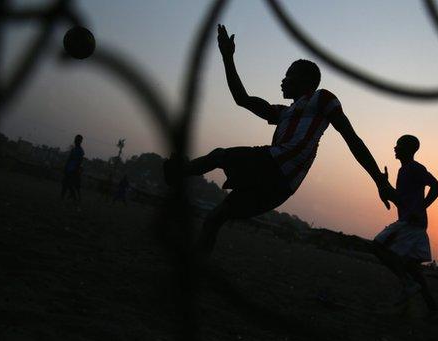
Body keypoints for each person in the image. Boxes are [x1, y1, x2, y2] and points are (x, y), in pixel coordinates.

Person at [164, 24, 394, 254]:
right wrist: (227, 57)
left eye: (288, 75)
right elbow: (242, 99)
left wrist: (378, 180)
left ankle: (179, 172)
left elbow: (352, 138)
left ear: (304, 79)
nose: (282, 80)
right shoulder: (283, 113)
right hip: (278, 187)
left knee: (219, 155)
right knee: (215, 218)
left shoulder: (322, 99)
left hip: (276, 165)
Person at [372, 135, 438, 322]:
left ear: (408, 149)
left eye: (399, 145)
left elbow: (437, 186)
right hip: (414, 223)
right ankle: (432, 309)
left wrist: (420, 208)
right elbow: (401, 199)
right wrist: (385, 184)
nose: (395, 148)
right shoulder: (404, 170)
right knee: (414, 270)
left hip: (411, 224)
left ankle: (407, 285)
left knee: (378, 247)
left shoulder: (415, 168)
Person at [61, 134, 85, 202]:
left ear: (80, 141)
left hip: (73, 170)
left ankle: (75, 199)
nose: (75, 141)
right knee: (65, 184)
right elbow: (69, 159)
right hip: (69, 169)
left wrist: (75, 170)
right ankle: (63, 198)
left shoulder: (80, 151)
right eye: (75, 139)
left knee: (70, 185)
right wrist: (66, 167)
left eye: (77, 140)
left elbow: (79, 162)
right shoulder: (74, 149)